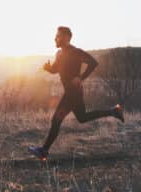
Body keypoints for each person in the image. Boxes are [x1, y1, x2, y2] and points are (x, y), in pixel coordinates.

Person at [28, 26, 124, 160]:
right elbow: (56, 69)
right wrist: (48, 68)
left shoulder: (75, 52)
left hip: (74, 92)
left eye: (58, 36)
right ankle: (114, 111)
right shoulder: (59, 54)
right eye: (56, 36)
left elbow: (93, 63)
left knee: (56, 119)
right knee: (82, 117)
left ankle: (44, 151)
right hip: (70, 91)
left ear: (66, 38)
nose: (55, 38)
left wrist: (81, 77)